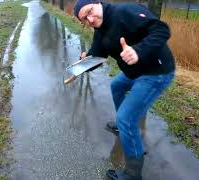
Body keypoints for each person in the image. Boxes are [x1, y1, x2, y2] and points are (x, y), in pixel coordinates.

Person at [73, 0, 175, 179]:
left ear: (98, 3)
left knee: (126, 118)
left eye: (90, 11)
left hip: (155, 72)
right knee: (116, 86)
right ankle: (126, 127)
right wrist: (84, 63)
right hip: (135, 71)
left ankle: (133, 174)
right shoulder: (100, 29)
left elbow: (161, 29)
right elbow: (97, 54)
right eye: (84, 19)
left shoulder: (126, 11)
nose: (90, 19)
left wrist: (138, 51)